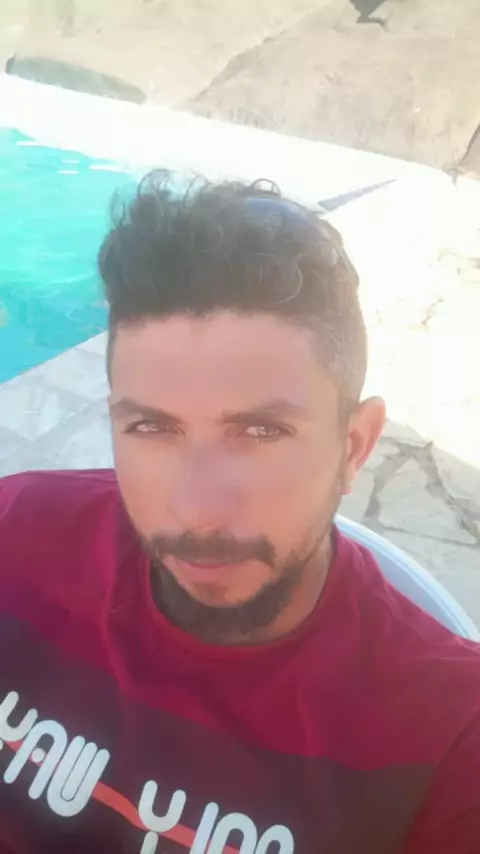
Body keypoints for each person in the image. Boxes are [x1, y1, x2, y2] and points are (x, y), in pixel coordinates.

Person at [0, 174, 479, 854]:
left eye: (261, 432)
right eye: (152, 428)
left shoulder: (448, 738)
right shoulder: (17, 531)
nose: (198, 509)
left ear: (353, 446)